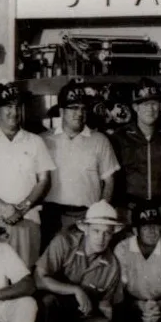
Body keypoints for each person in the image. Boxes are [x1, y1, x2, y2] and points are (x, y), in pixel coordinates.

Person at [32, 200, 124, 322]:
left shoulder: (112, 265)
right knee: (48, 301)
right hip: (49, 310)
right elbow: (38, 279)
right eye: (97, 231)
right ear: (86, 229)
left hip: (78, 314)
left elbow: (106, 308)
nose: (101, 238)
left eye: (107, 232)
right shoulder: (64, 242)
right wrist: (75, 290)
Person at [0, 82, 55, 268]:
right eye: (7, 107)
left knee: (23, 275)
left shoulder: (35, 141)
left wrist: (22, 208)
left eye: (17, 106)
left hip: (27, 220)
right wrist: (4, 208)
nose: (13, 112)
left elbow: (44, 181)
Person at [41, 80, 121, 244]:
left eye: (83, 108)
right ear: (62, 111)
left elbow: (109, 182)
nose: (79, 113)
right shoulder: (44, 140)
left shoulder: (100, 140)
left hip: (87, 217)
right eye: (74, 108)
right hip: (52, 216)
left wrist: (100, 214)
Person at [110, 78, 161, 239]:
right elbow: (110, 178)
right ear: (135, 107)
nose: (150, 109)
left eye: (154, 103)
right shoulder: (119, 137)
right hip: (129, 211)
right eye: (144, 104)